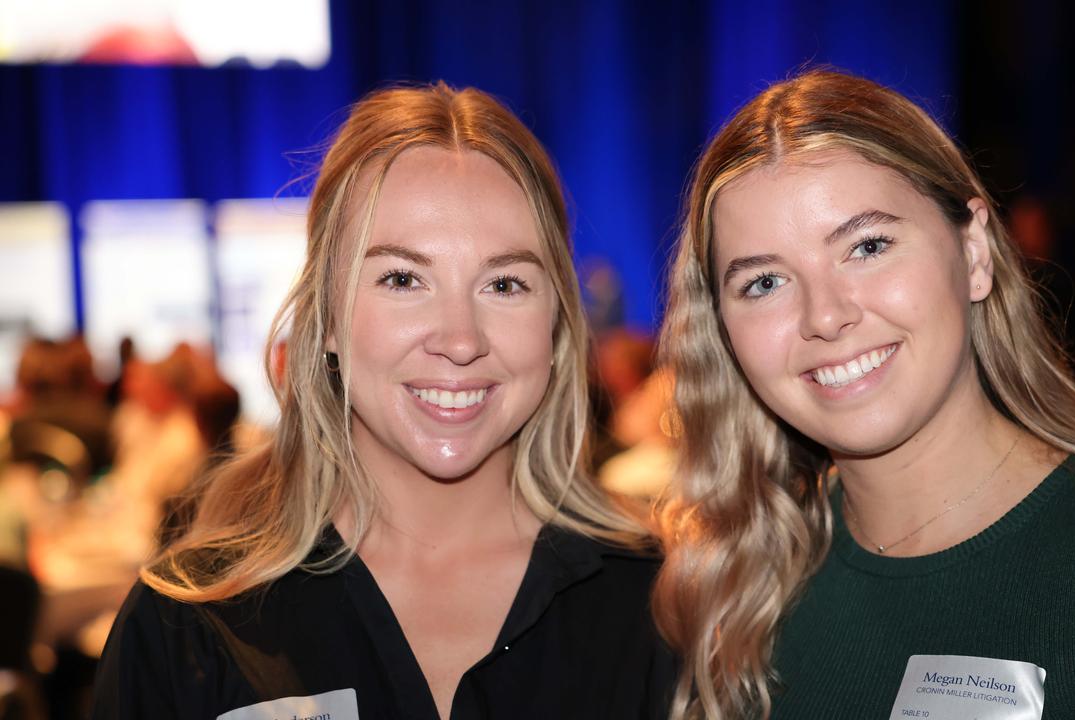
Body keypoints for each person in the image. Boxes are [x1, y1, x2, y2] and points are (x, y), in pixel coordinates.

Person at [654, 69, 1075, 720]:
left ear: (975, 250)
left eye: (867, 246)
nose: (825, 316)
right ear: (721, 329)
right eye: (763, 283)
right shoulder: (747, 575)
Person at [92, 84, 674, 720]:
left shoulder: (665, 607)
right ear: (329, 322)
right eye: (403, 279)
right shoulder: (191, 625)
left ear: (558, 327)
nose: (460, 340)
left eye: (505, 283)